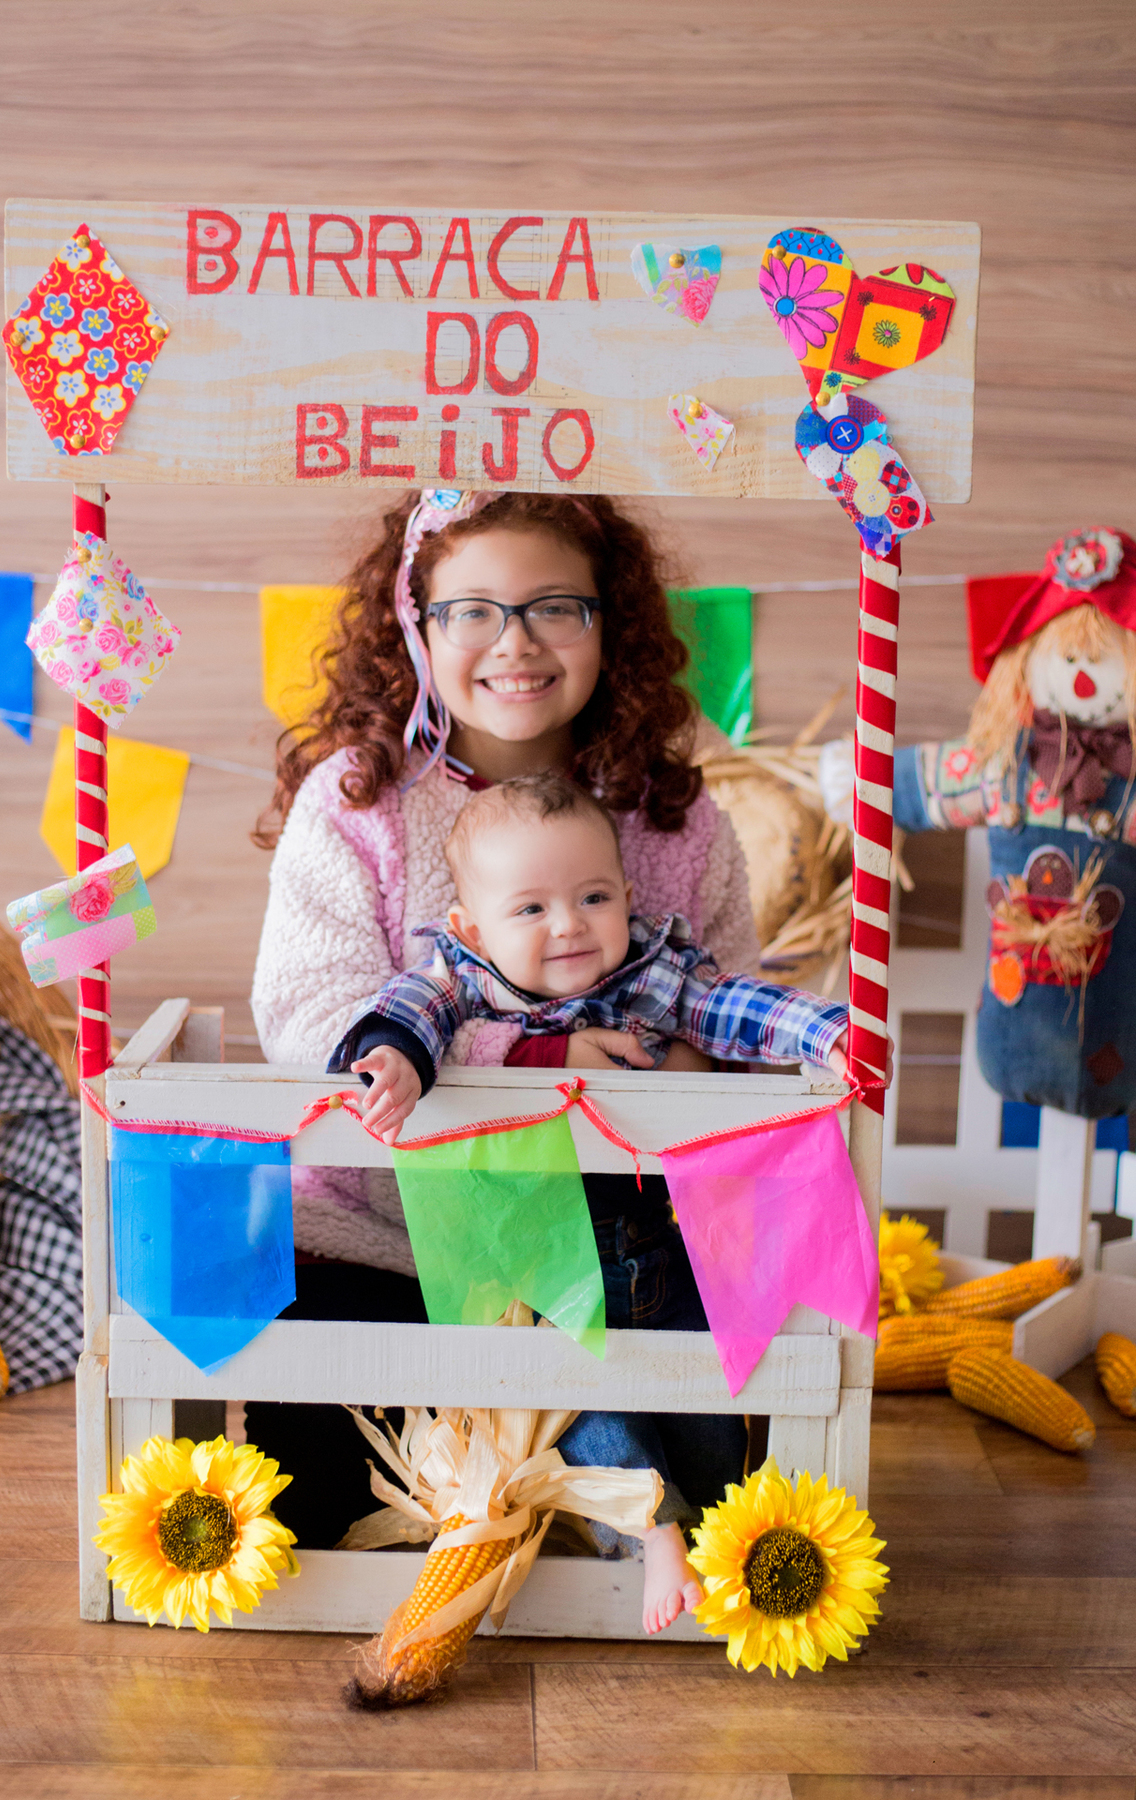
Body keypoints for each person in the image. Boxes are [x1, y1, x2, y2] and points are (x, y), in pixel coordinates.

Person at [249, 486, 762, 1632]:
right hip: (379, 1239)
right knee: (342, 1526)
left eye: (554, 608)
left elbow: (725, 1008)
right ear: (415, 628)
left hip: (619, 1248)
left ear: (609, 625)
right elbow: (308, 1010)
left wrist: (677, 1071)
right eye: (471, 609)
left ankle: (644, 1527)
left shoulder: (674, 821)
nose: (514, 643)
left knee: (715, 1490)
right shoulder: (362, 804)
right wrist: (535, 1052)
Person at [334, 771, 850, 1134]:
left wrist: (824, 1033)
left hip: (637, 1206)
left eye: (594, 898)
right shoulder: (465, 977)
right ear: (474, 932)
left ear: (626, 902)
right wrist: (398, 1055)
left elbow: (737, 1004)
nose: (568, 925)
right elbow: (411, 1004)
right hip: (506, 1208)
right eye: (531, 909)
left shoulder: (653, 972)